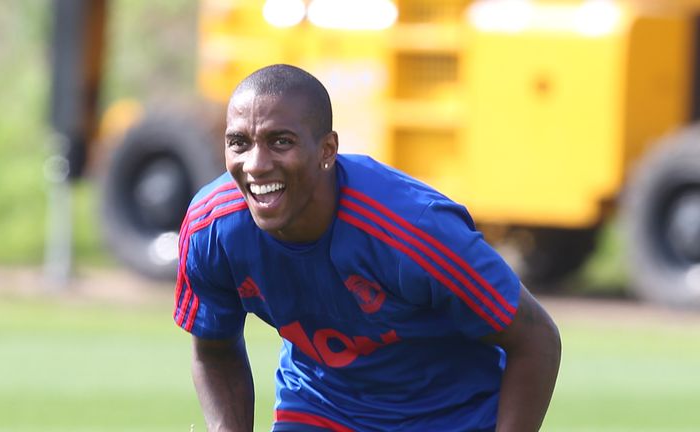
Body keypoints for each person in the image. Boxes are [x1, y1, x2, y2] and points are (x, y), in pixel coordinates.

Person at [173, 64, 561, 431]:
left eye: (281, 142)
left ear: (327, 150)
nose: (255, 165)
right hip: (321, 407)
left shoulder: (413, 229)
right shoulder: (213, 228)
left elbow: (536, 337)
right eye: (238, 142)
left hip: (450, 415)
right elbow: (215, 350)